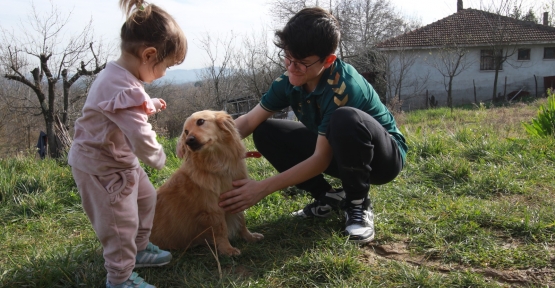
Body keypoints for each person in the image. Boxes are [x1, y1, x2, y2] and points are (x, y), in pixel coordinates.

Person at [219, 7, 407, 244]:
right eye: (287, 57)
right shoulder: (290, 79)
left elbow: (319, 159)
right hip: (338, 151)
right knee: (265, 131)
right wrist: (208, 142)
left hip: (382, 159)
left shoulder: (344, 87)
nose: (291, 67)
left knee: (345, 118)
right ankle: (328, 197)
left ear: (328, 60)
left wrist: (262, 188)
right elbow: (248, 120)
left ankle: (358, 204)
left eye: (301, 63)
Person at [68, 0, 187, 287]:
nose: (164, 73)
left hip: (120, 162)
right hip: (102, 170)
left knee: (147, 199)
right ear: (149, 55)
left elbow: (126, 106)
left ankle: (141, 248)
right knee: (119, 226)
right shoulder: (121, 85)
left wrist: (150, 103)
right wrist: (158, 156)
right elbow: (140, 135)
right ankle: (120, 279)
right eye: (166, 66)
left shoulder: (121, 76)